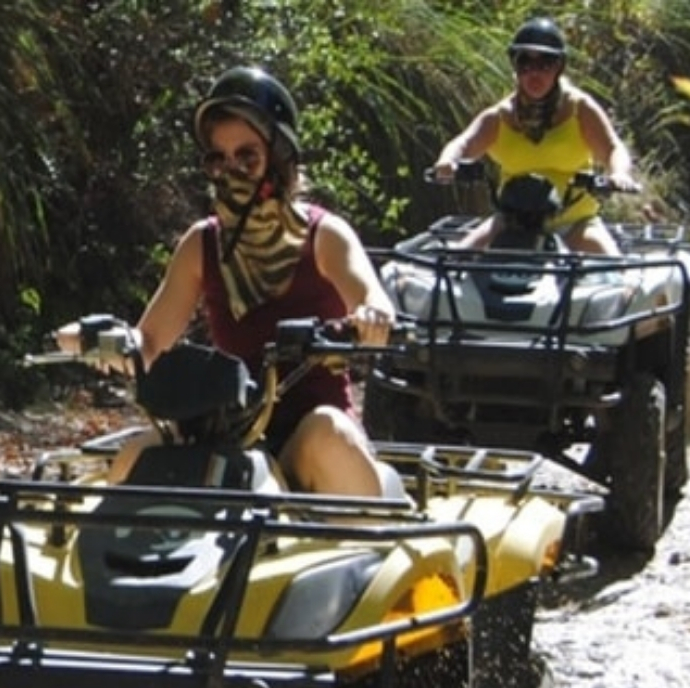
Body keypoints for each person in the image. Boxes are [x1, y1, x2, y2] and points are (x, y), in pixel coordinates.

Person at [56, 66, 395, 497]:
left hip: (309, 427)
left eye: (247, 157)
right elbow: (149, 342)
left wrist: (371, 315)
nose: (231, 170)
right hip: (226, 429)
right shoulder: (203, 243)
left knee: (330, 437)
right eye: (218, 158)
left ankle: (359, 549)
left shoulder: (323, 235)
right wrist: (99, 339)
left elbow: (371, 297)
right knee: (133, 459)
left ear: (279, 158)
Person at [431, 17, 639, 255]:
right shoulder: (500, 116)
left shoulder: (578, 109)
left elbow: (613, 148)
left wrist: (619, 174)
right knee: (455, 261)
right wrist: (447, 162)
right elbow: (463, 143)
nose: (534, 74)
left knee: (616, 277)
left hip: (574, 225)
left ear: (559, 67)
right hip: (511, 223)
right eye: (525, 64)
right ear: (515, 67)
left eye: (545, 64)